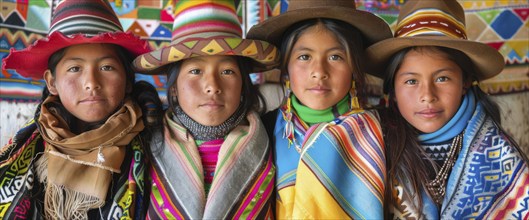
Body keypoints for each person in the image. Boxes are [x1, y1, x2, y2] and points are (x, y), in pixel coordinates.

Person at [366, 0, 529, 218]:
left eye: (442, 78)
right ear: (393, 88)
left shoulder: (499, 157)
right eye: (412, 81)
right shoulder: (372, 148)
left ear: (465, 83)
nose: (427, 96)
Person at [0, 0, 156, 218]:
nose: (91, 83)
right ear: (52, 82)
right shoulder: (22, 153)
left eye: (106, 67)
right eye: (75, 68)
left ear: (128, 80)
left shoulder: (156, 148)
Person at [132, 0, 279, 218]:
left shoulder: (275, 139)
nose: (212, 86)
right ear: (173, 88)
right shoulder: (145, 144)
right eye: (195, 71)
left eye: (227, 72)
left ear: (242, 86)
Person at [247, 0, 392, 218]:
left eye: (335, 57)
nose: (319, 71)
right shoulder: (261, 133)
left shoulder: (384, 135)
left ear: (354, 67)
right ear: (286, 68)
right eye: (304, 57)